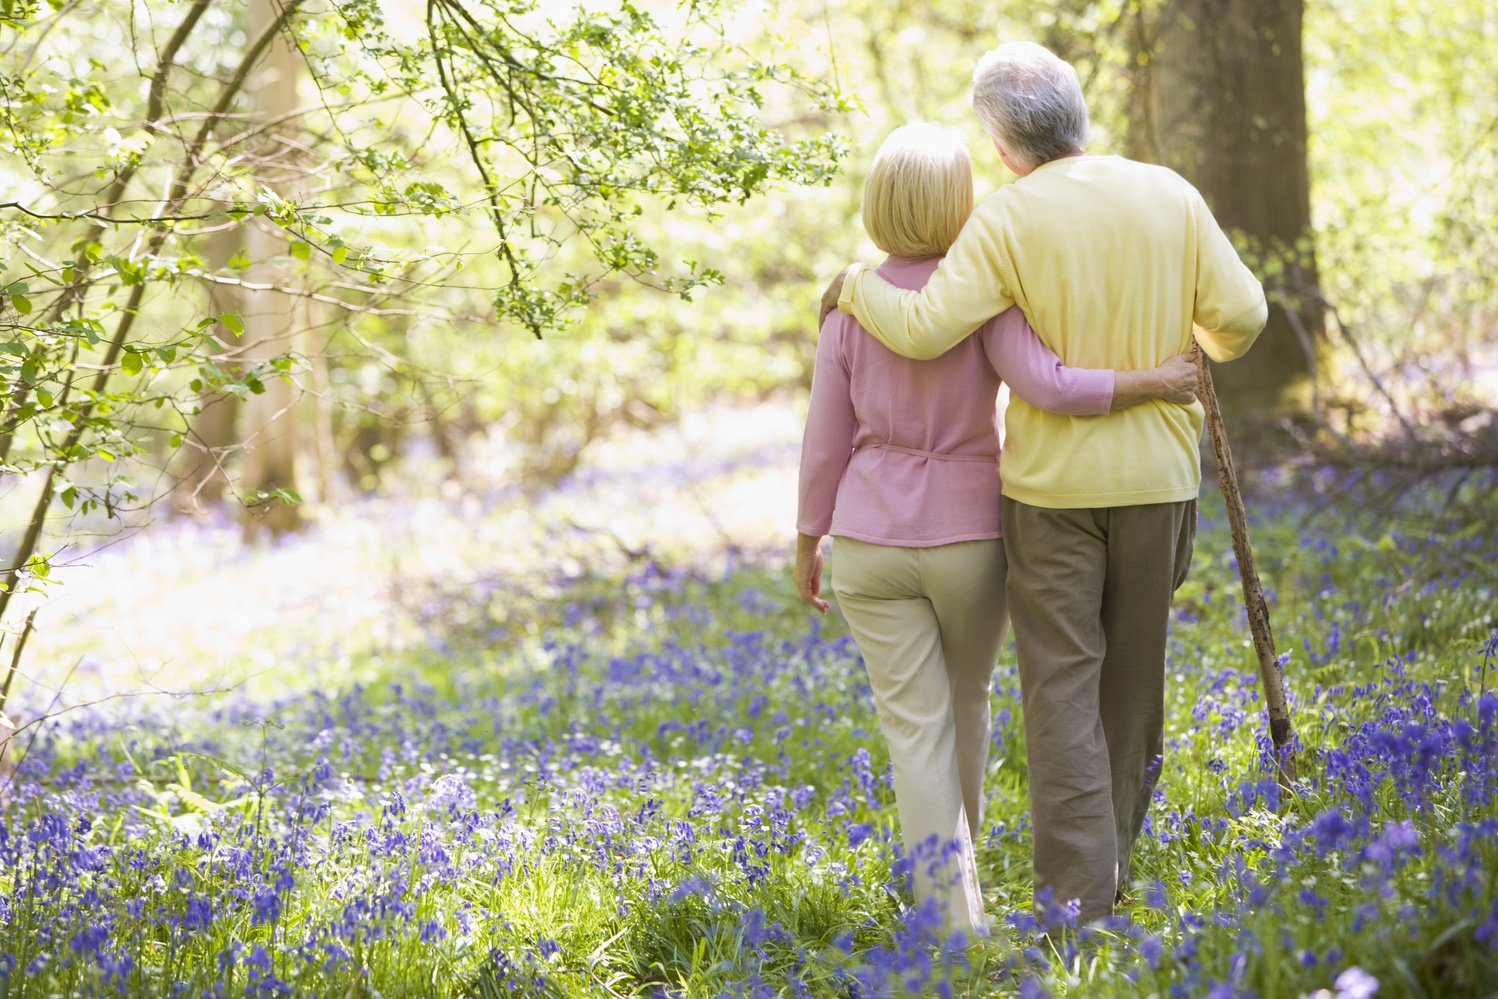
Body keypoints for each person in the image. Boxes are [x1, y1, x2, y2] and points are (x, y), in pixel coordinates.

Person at [820, 43, 1268, 925]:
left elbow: (920, 329)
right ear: (1081, 118)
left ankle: (1075, 906)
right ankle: (1115, 871)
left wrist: (848, 288)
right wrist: (1185, 350)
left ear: (999, 145)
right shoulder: (1168, 194)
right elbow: (1244, 319)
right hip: (1157, 481)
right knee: (1134, 682)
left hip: (1050, 493)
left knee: (1060, 687)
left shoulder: (1004, 219)